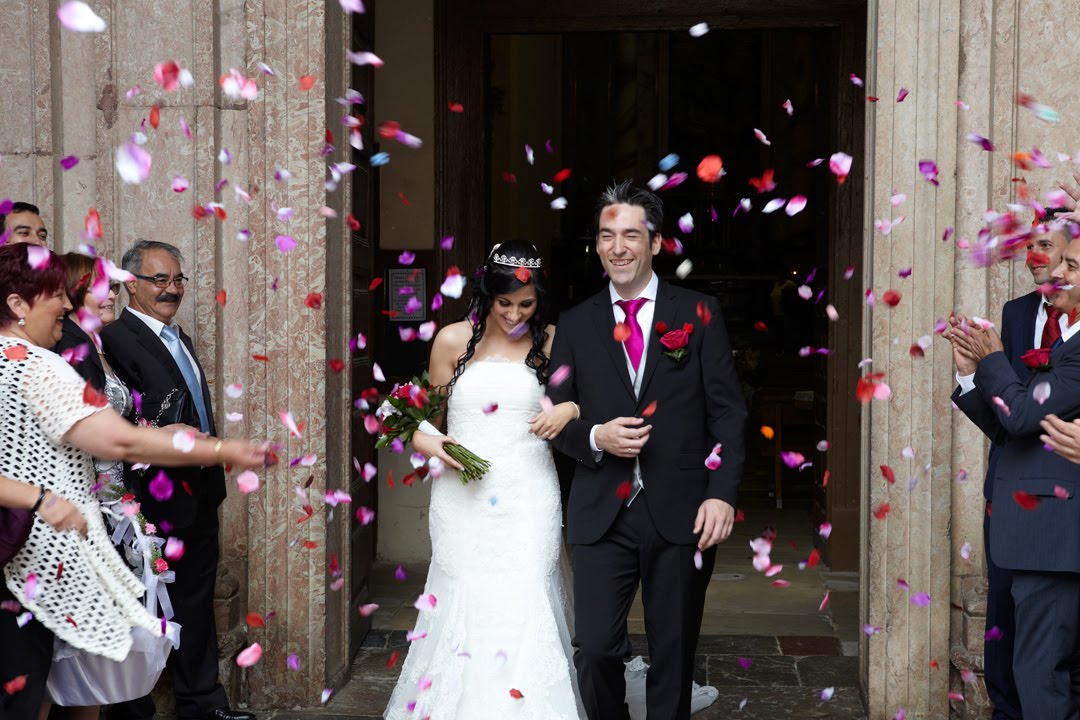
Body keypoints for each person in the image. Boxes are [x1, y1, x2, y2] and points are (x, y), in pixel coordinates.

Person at [383, 240, 718, 719]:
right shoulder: (452, 341)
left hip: (528, 494)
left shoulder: (555, 340)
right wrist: (429, 441)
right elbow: (425, 418)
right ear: (486, 296)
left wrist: (572, 406)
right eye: (504, 304)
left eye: (526, 304)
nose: (515, 315)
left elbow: (599, 399)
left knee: (527, 598)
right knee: (466, 597)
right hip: (463, 501)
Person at [0, 244, 270, 720]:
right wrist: (223, 450)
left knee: (46, 688)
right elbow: (118, 443)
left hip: (40, 554)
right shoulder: (33, 364)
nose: (67, 304)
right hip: (29, 558)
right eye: (55, 295)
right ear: (18, 305)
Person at [547, 181, 746, 720]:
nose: (618, 247)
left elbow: (727, 411)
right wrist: (594, 436)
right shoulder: (574, 323)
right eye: (607, 236)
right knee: (595, 647)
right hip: (599, 511)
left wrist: (721, 495)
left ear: (656, 243)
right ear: (596, 245)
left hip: (682, 509)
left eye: (631, 235)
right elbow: (554, 417)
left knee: (673, 654)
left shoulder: (698, 313)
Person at [101, 240, 252, 720]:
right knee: (144, 606)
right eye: (159, 280)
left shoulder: (177, 338)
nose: (172, 289)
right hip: (150, 504)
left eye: (178, 279)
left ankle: (203, 703)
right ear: (131, 285)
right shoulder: (115, 338)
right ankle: (132, 708)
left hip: (199, 493)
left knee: (195, 600)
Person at [947, 223, 1080, 718]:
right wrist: (970, 372)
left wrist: (993, 359)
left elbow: (1023, 413)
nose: (1052, 270)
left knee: (1041, 675)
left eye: (1068, 262)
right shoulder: (1041, 326)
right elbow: (1012, 427)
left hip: (1054, 531)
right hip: (1018, 513)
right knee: (1027, 667)